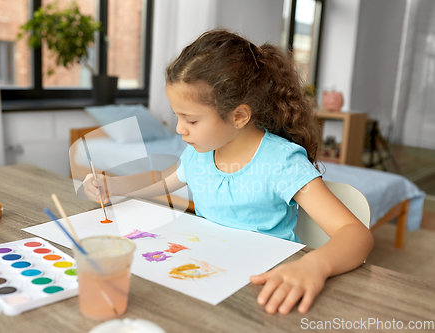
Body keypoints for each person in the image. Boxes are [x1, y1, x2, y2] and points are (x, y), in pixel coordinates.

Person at [83, 29, 374, 315]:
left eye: (191, 120)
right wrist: (114, 186)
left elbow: (355, 234)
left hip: (265, 287)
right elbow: (162, 180)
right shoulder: (199, 154)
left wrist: (314, 266)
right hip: (206, 276)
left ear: (239, 116)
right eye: (177, 116)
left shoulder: (281, 163)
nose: (179, 129)